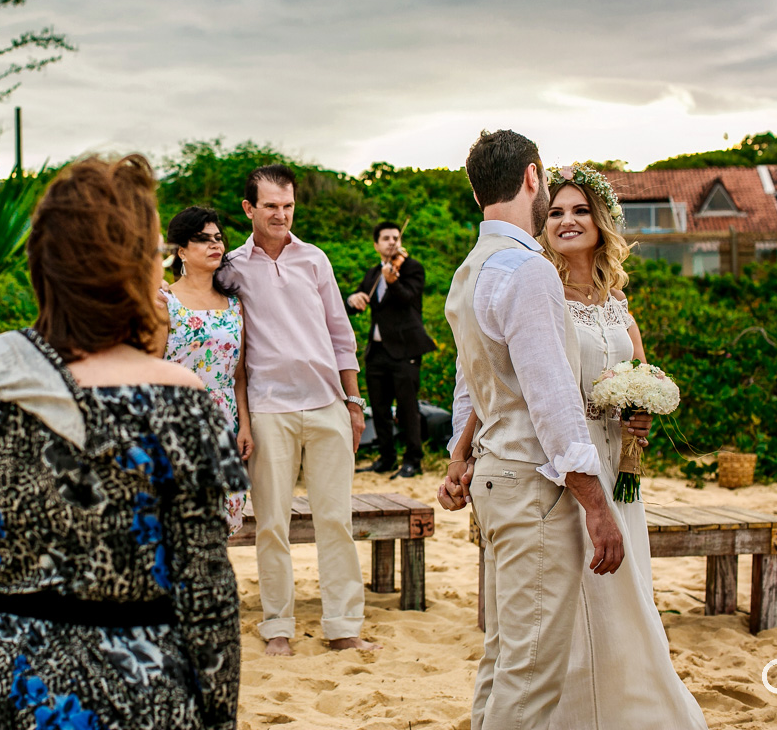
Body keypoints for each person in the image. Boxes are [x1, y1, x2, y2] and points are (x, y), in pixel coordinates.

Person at [0, 155, 247, 730]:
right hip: (148, 687)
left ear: (41, 263)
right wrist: (217, 718)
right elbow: (208, 599)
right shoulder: (183, 402)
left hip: (15, 681)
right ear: (135, 269)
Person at [437, 130, 624, 729]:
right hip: (530, 487)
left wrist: (459, 459)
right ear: (532, 178)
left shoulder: (469, 272)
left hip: (494, 479)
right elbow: (552, 400)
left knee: (503, 656)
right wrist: (595, 502)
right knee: (532, 670)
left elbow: (471, 386)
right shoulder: (528, 271)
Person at [537, 165, 707, 729]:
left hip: (621, 463)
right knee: (586, 590)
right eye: (556, 211)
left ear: (599, 221)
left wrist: (641, 414)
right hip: (573, 461)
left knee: (628, 586)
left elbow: (640, 371)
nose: (567, 220)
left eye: (579, 210)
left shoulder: (617, 302)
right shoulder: (545, 297)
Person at [222, 164, 379, 657]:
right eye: (270, 206)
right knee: (271, 524)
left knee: (335, 520)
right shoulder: (230, 267)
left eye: (287, 206)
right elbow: (225, 342)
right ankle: (277, 628)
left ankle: (343, 625)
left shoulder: (315, 259)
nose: (281, 215)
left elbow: (341, 333)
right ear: (249, 209)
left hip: (328, 404)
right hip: (269, 409)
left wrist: (353, 403)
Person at [161, 206, 253, 534]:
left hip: (224, 422)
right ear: (181, 251)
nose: (215, 244)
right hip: (176, 421)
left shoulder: (234, 304)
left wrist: (244, 425)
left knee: (217, 525)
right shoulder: (164, 301)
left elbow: (239, 374)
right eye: (202, 239)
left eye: (218, 238)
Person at [347, 221, 437, 478]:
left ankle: (413, 461)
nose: (392, 242)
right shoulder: (373, 272)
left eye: (395, 237)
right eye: (386, 238)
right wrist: (352, 300)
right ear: (376, 244)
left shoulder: (412, 268)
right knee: (380, 408)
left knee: (408, 408)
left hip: (405, 350)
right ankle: (386, 458)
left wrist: (393, 282)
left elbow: (409, 298)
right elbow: (358, 301)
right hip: (377, 351)